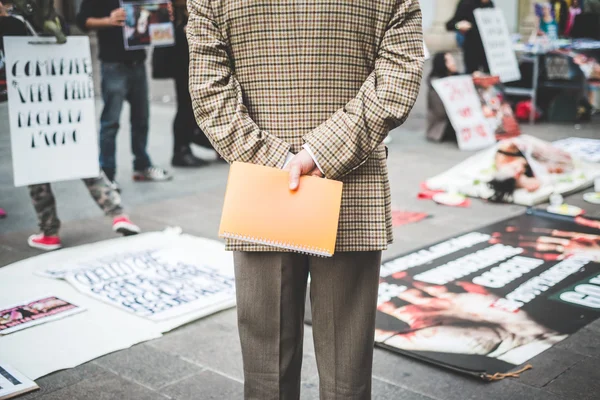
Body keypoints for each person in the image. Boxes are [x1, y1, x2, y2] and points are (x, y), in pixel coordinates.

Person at [187, 0, 424, 398]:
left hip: (261, 190)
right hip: (352, 184)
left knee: (267, 373)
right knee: (346, 372)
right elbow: (397, 80)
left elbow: (208, 91)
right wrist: (320, 152)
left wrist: (275, 160)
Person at [76, 1, 172, 191]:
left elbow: (150, 13)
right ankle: (107, 173)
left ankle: (142, 165)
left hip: (138, 62)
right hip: (113, 64)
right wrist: (107, 20)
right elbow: (82, 21)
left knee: (141, 119)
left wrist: (163, 14)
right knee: (110, 122)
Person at [169, 0, 209, 167]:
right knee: (185, 104)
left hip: (195, 60)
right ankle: (181, 149)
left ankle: (193, 140)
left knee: (194, 104)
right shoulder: (171, 11)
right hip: (180, 60)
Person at [446, 0, 494, 74]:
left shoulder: (490, 4)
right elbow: (450, 25)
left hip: (489, 49)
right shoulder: (466, 3)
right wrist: (458, 25)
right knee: (472, 75)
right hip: (472, 49)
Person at [426, 52, 459, 142]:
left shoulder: (456, 78)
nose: (453, 63)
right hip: (443, 124)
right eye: (449, 61)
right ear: (443, 64)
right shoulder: (436, 85)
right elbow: (440, 112)